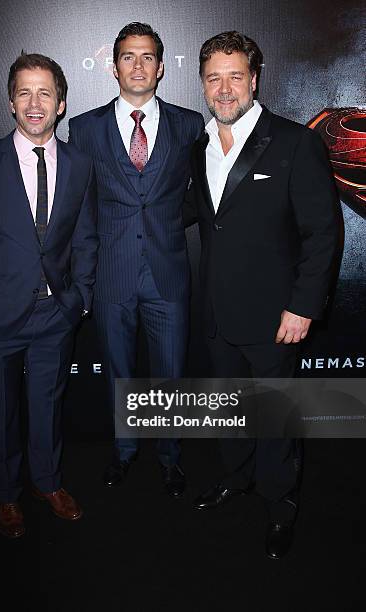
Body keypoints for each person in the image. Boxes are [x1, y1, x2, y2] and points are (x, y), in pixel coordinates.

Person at [184, 31, 340, 557]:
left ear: (254, 78)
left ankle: (280, 501)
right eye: (213, 78)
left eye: (234, 76)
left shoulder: (295, 142)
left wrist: (302, 306)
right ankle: (238, 477)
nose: (224, 89)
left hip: (277, 315)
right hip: (215, 312)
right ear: (202, 84)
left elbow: (323, 232)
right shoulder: (198, 146)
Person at [0, 53, 98, 538]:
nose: (36, 103)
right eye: (25, 92)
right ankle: (6, 495)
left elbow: (87, 238)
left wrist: (80, 299)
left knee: (47, 406)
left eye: (45, 93)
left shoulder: (79, 164)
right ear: (11, 101)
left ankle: (47, 482)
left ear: (61, 103)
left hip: (56, 312)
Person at [69, 23, 204, 497]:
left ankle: (170, 457)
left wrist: (166, 222)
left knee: (170, 372)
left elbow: (202, 198)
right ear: (114, 67)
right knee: (119, 373)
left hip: (168, 273)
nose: (138, 66)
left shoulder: (190, 125)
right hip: (112, 274)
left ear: (162, 66)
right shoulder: (83, 129)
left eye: (148, 57)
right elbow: (80, 204)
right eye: (128, 57)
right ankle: (124, 452)